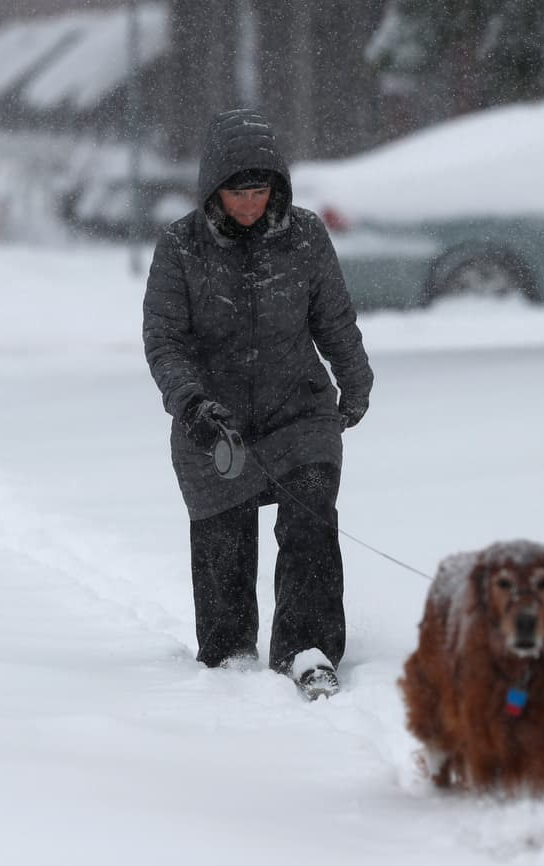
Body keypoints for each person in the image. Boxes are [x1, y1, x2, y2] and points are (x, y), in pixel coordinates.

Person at [142, 108, 373, 700]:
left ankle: (309, 649)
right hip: (214, 427)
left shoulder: (306, 236)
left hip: (299, 411)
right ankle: (230, 661)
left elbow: (334, 317)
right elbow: (165, 339)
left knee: (312, 519)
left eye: (261, 189)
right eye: (238, 191)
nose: (251, 202)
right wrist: (191, 404)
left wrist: (354, 377)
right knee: (224, 545)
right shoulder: (179, 247)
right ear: (213, 189)